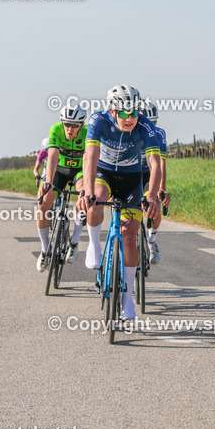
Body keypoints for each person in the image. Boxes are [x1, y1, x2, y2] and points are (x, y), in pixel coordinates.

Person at [76, 85, 161, 322]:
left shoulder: (145, 125)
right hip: (104, 172)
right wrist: (88, 191)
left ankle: (127, 299)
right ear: (113, 111)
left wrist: (151, 195)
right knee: (97, 198)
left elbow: (155, 163)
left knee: (130, 237)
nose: (130, 118)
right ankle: (94, 245)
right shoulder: (98, 120)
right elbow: (91, 156)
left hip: (132, 178)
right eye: (124, 113)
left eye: (133, 112)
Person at [36, 105, 88, 270]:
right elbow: (52, 156)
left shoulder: (89, 132)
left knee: (83, 198)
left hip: (79, 171)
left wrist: (86, 187)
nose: (69, 129)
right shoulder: (56, 129)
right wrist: (48, 181)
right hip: (59, 169)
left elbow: (88, 160)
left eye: (74, 125)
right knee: (43, 204)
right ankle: (45, 250)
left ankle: (74, 243)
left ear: (81, 125)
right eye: (66, 124)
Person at [140, 101, 170, 264]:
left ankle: (152, 240)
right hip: (130, 173)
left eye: (154, 122)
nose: (151, 127)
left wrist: (162, 189)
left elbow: (162, 163)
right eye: (148, 122)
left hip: (148, 174)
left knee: (155, 206)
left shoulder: (159, 133)